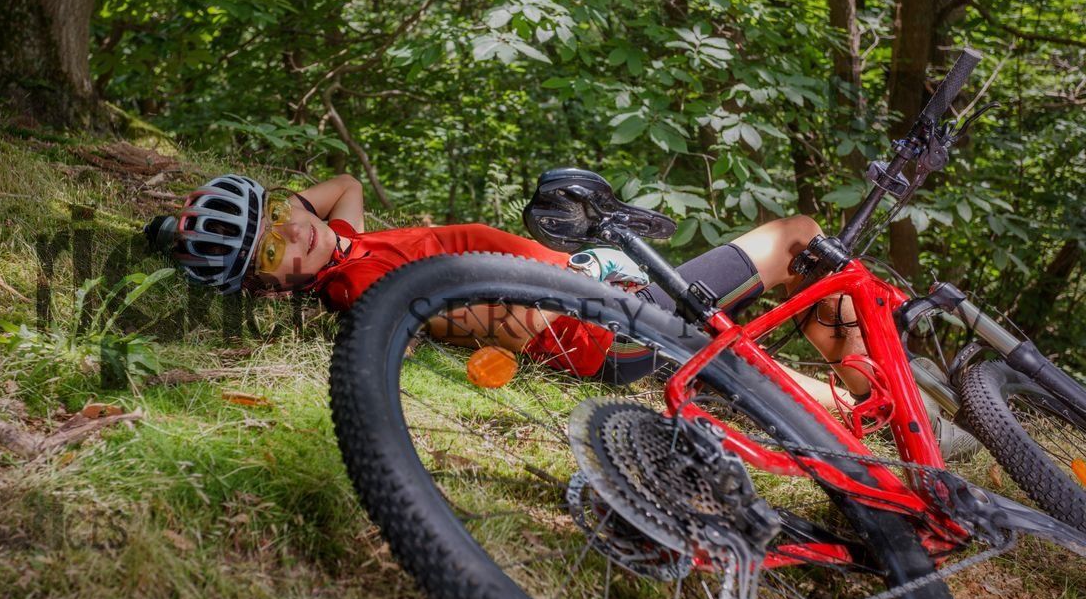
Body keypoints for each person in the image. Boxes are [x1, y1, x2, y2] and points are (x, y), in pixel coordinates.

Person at [145, 172, 868, 408]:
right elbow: (447, 314)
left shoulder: (346, 246)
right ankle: (873, 397)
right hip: (612, 323)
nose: (293, 233)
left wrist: (300, 215)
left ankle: (865, 401)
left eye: (278, 212)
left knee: (751, 370)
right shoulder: (363, 282)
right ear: (274, 290)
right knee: (799, 237)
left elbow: (348, 185)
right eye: (272, 250)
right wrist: (501, 320)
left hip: (606, 296)